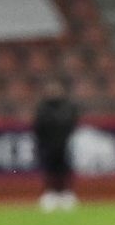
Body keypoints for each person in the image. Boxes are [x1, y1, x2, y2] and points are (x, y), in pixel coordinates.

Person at [32, 79, 79, 212]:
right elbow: (38, 127)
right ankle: (50, 194)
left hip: (64, 145)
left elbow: (72, 123)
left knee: (65, 170)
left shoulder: (68, 107)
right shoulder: (42, 108)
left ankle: (66, 194)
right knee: (49, 171)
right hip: (48, 146)